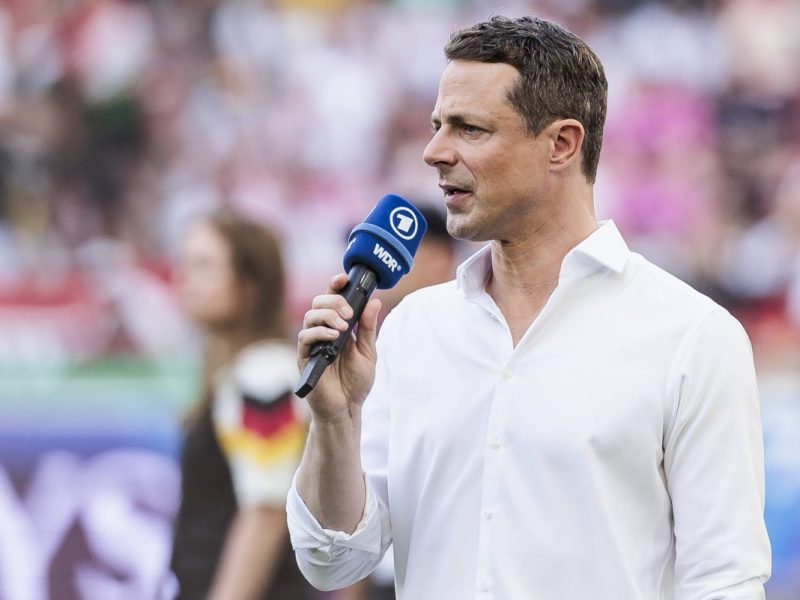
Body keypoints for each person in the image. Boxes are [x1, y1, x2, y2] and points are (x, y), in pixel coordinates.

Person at [288, 16, 771, 600]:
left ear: (562, 144)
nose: (434, 152)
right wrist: (336, 421)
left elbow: (724, 581)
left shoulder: (691, 336)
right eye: (438, 126)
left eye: (470, 129)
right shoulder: (413, 328)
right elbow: (333, 561)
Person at [170, 211, 317, 600]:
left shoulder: (264, 377)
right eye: (186, 262)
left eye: (204, 265)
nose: (185, 278)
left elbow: (265, 511)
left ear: (250, 285)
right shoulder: (242, 372)